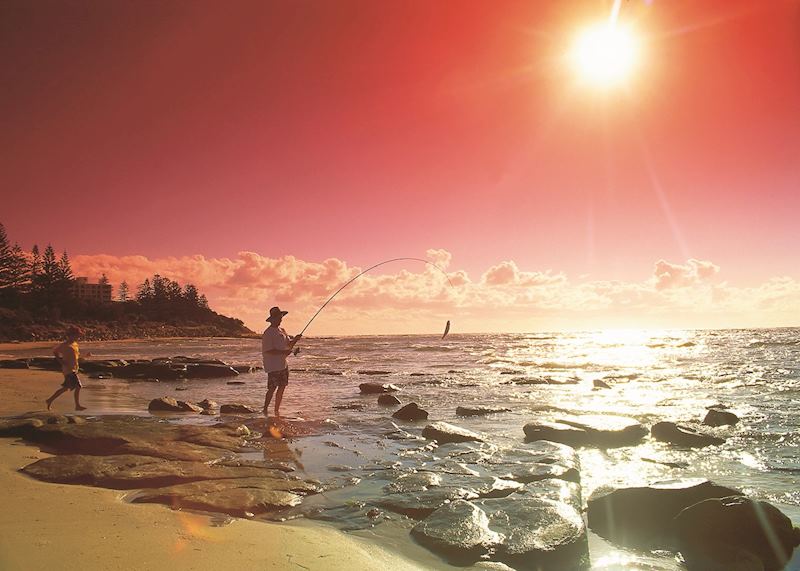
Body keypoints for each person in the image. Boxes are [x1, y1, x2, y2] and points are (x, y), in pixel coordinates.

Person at [262, 306, 301, 417]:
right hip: (273, 366)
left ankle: (276, 411)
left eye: (281, 317)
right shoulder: (268, 333)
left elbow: (288, 344)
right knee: (272, 388)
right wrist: (283, 353)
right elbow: (268, 350)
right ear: (272, 319)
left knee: (282, 387)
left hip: (283, 365)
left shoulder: (282, 330)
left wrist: (295, 340)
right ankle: (265, 409)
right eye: (278, 318)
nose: (280, 319)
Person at [46, 325, 87, 411]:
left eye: (78, 335)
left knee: (65, 388)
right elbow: (55, 351)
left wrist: (85, 356)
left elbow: (76, 357)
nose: (78, 337)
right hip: (68, 370)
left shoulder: (75, 344)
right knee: (78, 386)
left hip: (74, 368)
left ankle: (49, 400)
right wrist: (60, 361)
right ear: (71, 335)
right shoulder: (64, 345)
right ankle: (77, 405)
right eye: (77, 335)